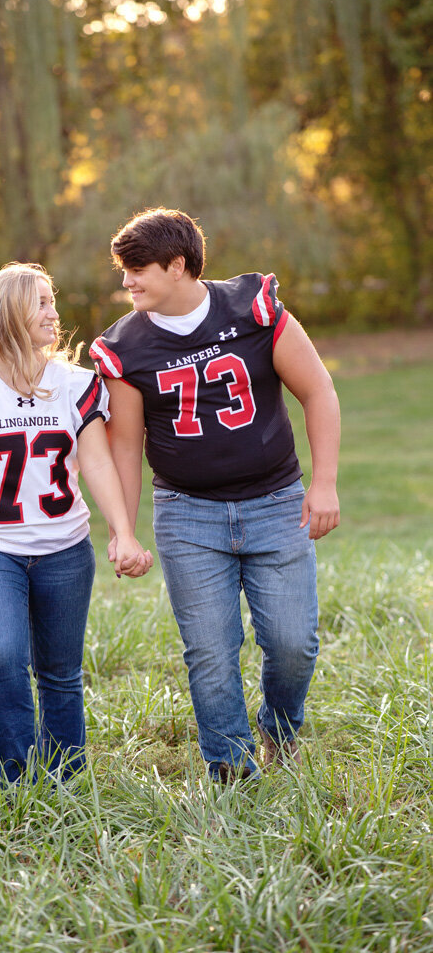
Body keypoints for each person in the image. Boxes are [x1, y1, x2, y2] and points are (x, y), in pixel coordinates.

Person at [89, 208, 340, 782]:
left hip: (275, 501)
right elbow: (125, 447)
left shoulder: (253, 308)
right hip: (188, 513)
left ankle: (280, 728)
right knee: (210, 651)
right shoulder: (124, 346)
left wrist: (323, 483)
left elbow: (318, 390)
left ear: (178, 266)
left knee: (293, 643)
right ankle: (230, 767)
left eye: (137, 270)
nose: (126, 281)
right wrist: (123, 531)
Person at [0, 262, 152, 786]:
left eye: (52, 300)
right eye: (42, 303)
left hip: (65, 547)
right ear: (8, 313)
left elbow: (95, 462)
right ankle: (20, 782)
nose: (55, 313)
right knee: (2, 657)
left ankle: (67, 781)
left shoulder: (74, 384)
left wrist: (123, 530)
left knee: (61, 673)